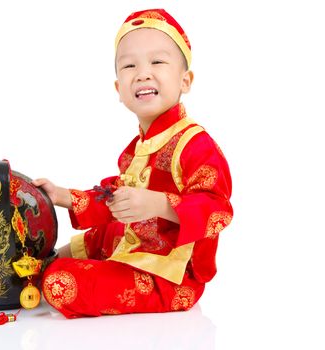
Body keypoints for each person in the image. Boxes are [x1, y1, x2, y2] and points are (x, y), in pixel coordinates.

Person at [33, 8, 233, 318]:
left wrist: (160, 204)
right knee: (91, 238)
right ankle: (40, 266)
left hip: (169, 276)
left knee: (62, 280)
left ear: (186, 80)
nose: (142, 73)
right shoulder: (135, 150)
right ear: (118, 89)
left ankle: (47, 274)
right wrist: (61, 196)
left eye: (157, 61)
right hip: (132, 246)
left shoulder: (195, 144)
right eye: (129, 65)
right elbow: (114, 199)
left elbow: (218, 210)